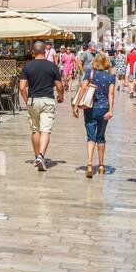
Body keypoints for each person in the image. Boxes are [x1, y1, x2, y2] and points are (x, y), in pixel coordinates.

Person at [19, 39, 64, 171]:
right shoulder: (52, 66)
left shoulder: (27, 67)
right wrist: (61, 97)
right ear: (45, 51)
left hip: (33, 100)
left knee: (35, 130)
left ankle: (36, 156)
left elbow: (22, 87)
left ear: (33, 52)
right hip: (47, 100)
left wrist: (27, 100)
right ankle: (41, 155)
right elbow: (59, 86)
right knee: (46, 129)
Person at [74, 50, 116, 176]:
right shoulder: (111, 77)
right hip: (104, 109)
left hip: (90, 108)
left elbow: (83, 88)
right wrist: (111, 110)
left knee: (90, 137)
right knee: (101, 137)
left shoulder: (90, 73)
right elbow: (111, 93)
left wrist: (76, 105)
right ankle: (102, 165)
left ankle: (90, 163)